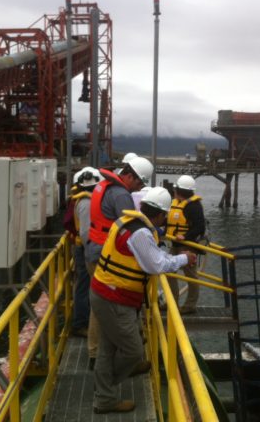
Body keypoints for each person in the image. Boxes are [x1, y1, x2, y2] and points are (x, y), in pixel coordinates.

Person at [90, 187, 197, 414]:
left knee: (107, 349)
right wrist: (184, 258)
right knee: (133, 351)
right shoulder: (140, 233)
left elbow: (152, 256)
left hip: (106, 292)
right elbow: (156, 265)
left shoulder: (127, 222)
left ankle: (104, 396)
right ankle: (105, 389)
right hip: (114, 298)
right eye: (164, 216)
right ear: (160, 214)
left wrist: (173, 257)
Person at [84, 156, 154, 368]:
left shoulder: (103, 186)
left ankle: (96, 352)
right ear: (130, 176)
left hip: (93, 248)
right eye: (140, 183)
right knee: (109, 307)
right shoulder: (121, 195)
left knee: (100, 305)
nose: (139, 188)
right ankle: (103, 355)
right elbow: (130, 228)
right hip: (104, 256)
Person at [166, 175, 206, 314]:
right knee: (168, 271)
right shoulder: (176, 202)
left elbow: (200, 227)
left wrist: (186, 236)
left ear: (179, 190)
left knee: (191, 275)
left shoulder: (194, 206)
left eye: (175, 189)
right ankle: (172, 302)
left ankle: (190, 305)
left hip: (188, 246)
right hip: (175, 244)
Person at [70, 167, 102, 338]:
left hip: (84, 248)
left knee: (84, 285)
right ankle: (80, 323)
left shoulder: (85, 201)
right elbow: (85, 232)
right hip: (85, 250)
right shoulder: (87, 203)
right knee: (84, 286)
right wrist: (92, 251)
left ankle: (83, 319)